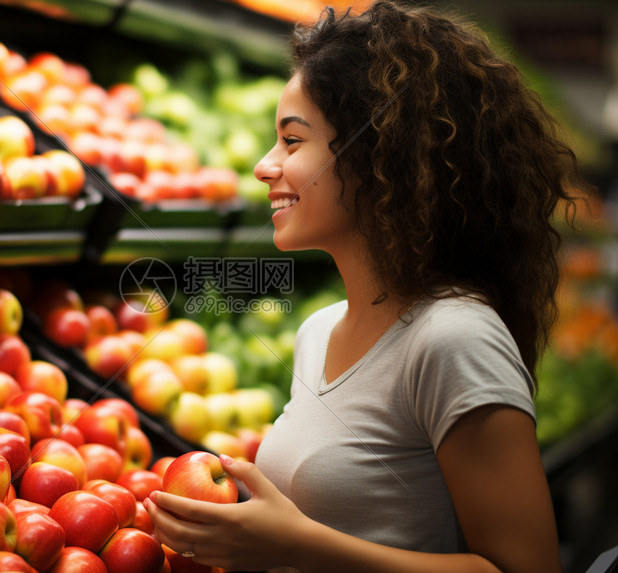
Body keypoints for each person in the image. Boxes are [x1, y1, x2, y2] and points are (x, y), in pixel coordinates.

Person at [144, 2, 588, 572]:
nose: (263, 166)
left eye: (292, 141)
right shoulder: (318, 331)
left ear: (378, 155)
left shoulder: (454, 338)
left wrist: (293, 543)